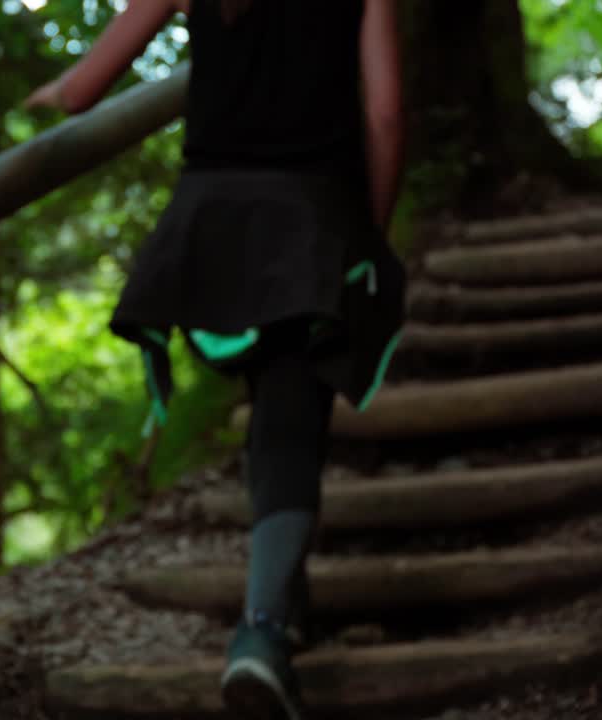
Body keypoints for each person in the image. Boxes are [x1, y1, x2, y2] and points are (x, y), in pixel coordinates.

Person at [25, 1, 404, 718]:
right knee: (293, 415)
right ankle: (261, 636)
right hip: (309, 217)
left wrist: (42, 106)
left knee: (275, 404)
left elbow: (80, 92)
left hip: (212, 228)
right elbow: (385, 114)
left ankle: (285, 609)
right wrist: (371, 237)